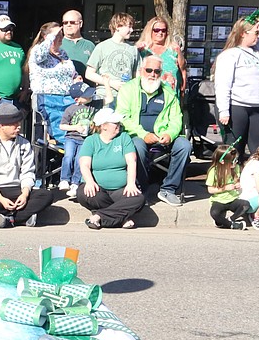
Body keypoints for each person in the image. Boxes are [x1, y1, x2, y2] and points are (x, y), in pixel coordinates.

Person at [115, 55, 189, 206]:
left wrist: (170, 134)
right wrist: (144, 134)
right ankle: (142, 188)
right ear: (141, 70)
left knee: (185, 146)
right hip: (137, 135)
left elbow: (176, 118)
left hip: (163, 137)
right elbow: (122, 117)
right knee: (136, 146)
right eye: (149, 70)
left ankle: (169, 189)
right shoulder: (128, 89)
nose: (152, 74)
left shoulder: (168, 92)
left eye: (157, 71)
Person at [213, 18, 259, 160]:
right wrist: (224, 110)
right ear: (243, 33)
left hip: (258, 107)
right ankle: (229, 179)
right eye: (256, 33)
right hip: (237, 106)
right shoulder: (230, 55)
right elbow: (223, 84)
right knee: (234, 149)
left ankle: (257, 178)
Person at [0, 103, 54, 227]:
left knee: (46, 196)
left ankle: (9, 219)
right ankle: (20, 217)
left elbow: (28, 172)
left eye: (19, 123)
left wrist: (25, 194)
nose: (18, 127)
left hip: (17, 188)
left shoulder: (25, 144)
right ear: (2, 125)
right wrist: (0, 198)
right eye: (14, 124)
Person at [77, 108, 145, 229]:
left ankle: (98, 217)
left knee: (138, 199)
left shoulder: (124, 137)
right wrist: (90, 182)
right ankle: (121, 218)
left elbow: (131, 161)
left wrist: (130, 184)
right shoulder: (91, 141)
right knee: (84, 194)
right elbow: (84, 164)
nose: (119, 125)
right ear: (104, 126)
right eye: (115, 123)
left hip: (121, 189)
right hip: (99, 190)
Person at [26, 21, 78, 144]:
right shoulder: (38, 51)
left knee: (76, 128)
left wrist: (76, 78)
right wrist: (51, 36)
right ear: (46, 37)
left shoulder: (63, 53)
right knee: (60, 131)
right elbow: (39, 56)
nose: (60, 37)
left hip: (68, 97)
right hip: (48, 97)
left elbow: (70, 72)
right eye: (57, 35)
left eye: (61, 35)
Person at [85, 12, 139, 106]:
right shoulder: (102, 47)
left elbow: (137, 75)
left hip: (127, 98)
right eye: (128, 27)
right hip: (105, 97)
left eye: (132, 27)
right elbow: (89, 74)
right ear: (118, 26)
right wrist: (111, 83)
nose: (131, 30)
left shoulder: (133, 49)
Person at [58, 82, 98, 196]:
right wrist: (75, 127)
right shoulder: (70, 109)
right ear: (77, 99)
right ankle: (64, 179)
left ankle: (75, 183)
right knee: (69, 156)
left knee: (79, 160)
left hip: (85, 140)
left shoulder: (93, 106)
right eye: (86, 96)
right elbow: (62, 126)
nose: (90, 97)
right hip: (71, 138)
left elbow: (109, 100)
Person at [136, 16, 187, 95]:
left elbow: (183, 70)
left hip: (171, 95)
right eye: (156, 30)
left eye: (163, 30)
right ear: (150, 31)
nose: (160, 33)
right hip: (147, 94)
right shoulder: (142, 50)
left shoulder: (174, 49)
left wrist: (183, 88)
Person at [206, 144, 250, 229]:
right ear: (222, 161)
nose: (235, 162)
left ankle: (230, 220)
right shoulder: (214, 171)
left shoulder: (236, 168)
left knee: (245, 205)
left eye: (236, 160)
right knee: (214, 213)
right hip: (219, 200)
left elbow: (237, 181)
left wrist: (237, 185)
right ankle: (230, 224)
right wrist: (225, 188)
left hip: (232, 198)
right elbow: (210, 189)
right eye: (233, 161)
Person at [59, 10, 95, 78]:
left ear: (80, 23)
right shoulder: (57, 45)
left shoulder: (90, 45)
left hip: (87, 86)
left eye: (72, 22)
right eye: (65, 23)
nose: (68, 25)